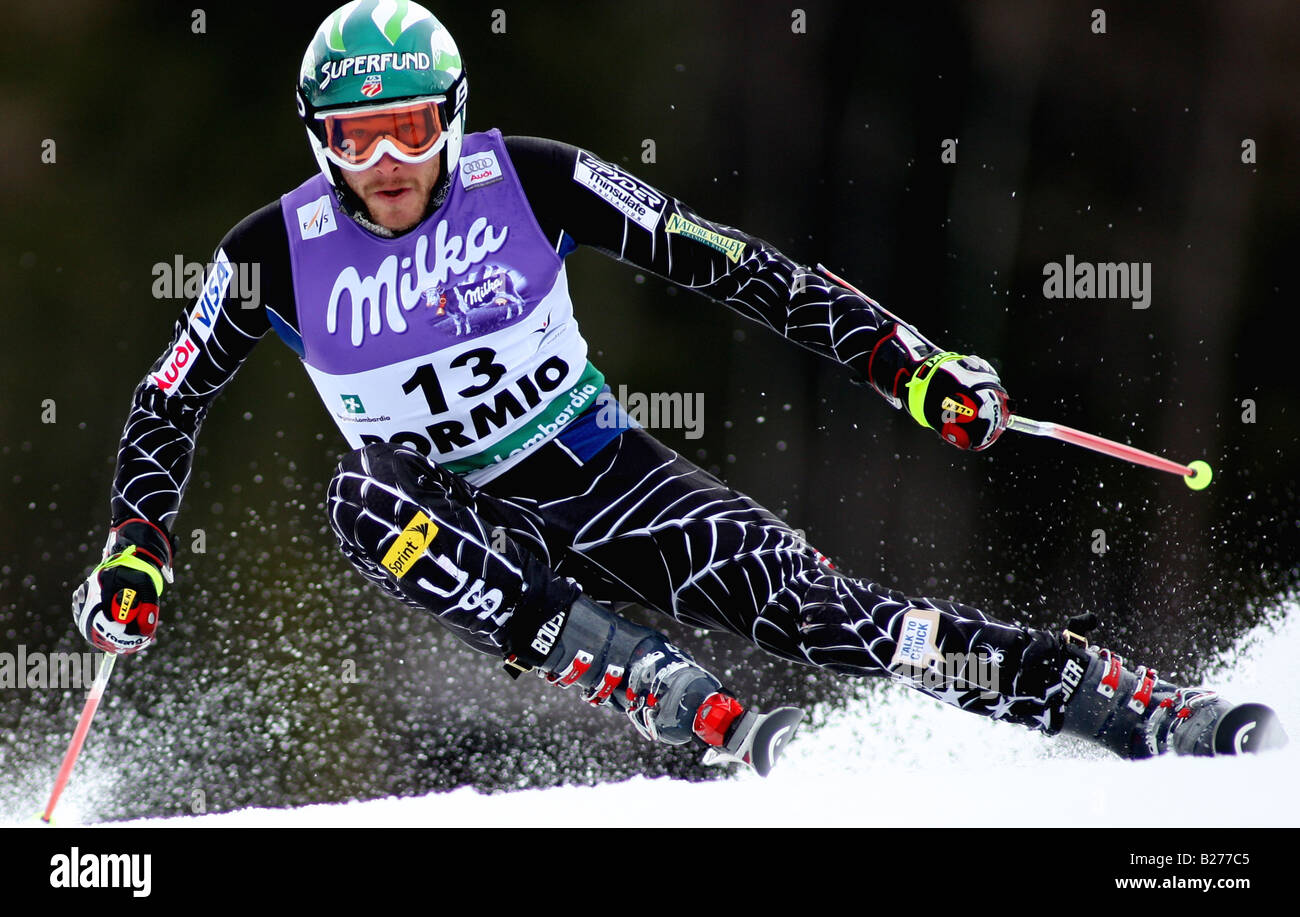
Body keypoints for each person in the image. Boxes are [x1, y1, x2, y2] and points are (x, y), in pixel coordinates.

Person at [72, 1, 1284, 777]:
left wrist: (904, 365)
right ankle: (630, 672)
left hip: (608, 477)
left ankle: (1123, 703)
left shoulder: (534, 181)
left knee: (843, 620)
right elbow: (167, 401)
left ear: (451, 120)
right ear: (314, 138)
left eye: (407, 132)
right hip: (467, 524)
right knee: (359, 497)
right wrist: (136, 549)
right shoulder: (265, 253)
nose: (384, 167)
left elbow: (733, 266)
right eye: (352, 138)